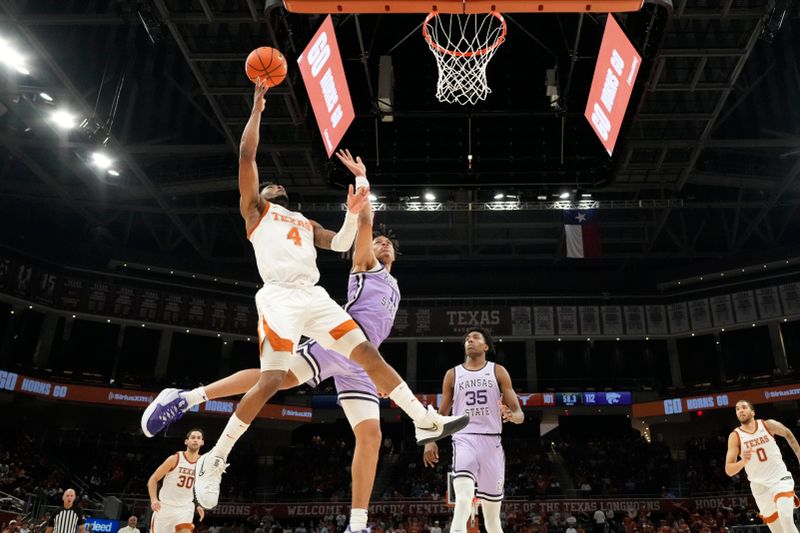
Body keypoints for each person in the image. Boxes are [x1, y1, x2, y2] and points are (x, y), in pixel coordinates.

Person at [144, 79, 467, 511]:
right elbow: (246, 155)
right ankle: (216, 457)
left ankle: (424, 420)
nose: (273, 184)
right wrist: (257, 109)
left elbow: (340, 243)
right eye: (267, 184)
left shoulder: (302, 221)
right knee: (272, 379)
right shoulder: (255, 212)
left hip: (314, 297)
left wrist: (353, 215)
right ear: (258, 196)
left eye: (277, 185)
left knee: (368, 354)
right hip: (278, 298)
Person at [142, 150, 410, 533]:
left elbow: (343, 243)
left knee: (371, 435)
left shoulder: (391, 283)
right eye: (380, 241)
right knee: (275, 378)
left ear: (396, 255)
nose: (382, 245)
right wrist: (363, 186)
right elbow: (362, 224)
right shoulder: (364, 262)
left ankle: (357, 524)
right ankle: (189, 399)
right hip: (334, 338)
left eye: (388, 244)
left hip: (363, 357)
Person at [423, 328, 524, 533]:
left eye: (475, 337)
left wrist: (514, 417)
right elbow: (442, 414)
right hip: (464, 438)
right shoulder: (452, 374)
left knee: (492, 519)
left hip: (492, 442)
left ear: (485, 346)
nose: (470, 340)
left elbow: (519, 414)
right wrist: (429, 440)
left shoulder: (498, 371)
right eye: (467, 339)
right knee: (462, 500)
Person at [725, 400, 800, 533]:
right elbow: (729, 470)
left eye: (743, 407)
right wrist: (743, 461)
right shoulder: (735, 436)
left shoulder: (767, 425)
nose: (740, 410)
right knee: (777, 530)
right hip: (759, 487)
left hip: (779, 479)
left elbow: (789, 435)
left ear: (753, 412)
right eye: (737, 409)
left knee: (786, 517)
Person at [147, 429, 206, 533]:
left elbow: (199, 487)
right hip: (165, 507)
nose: (195, 440)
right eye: (192, 437)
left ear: (202, 442)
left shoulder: (203, 464)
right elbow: (153, 479)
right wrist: (154, 500)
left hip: (185, 508)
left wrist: (199, 504)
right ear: (186, 441)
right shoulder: (174, 459)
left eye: (198, 438)